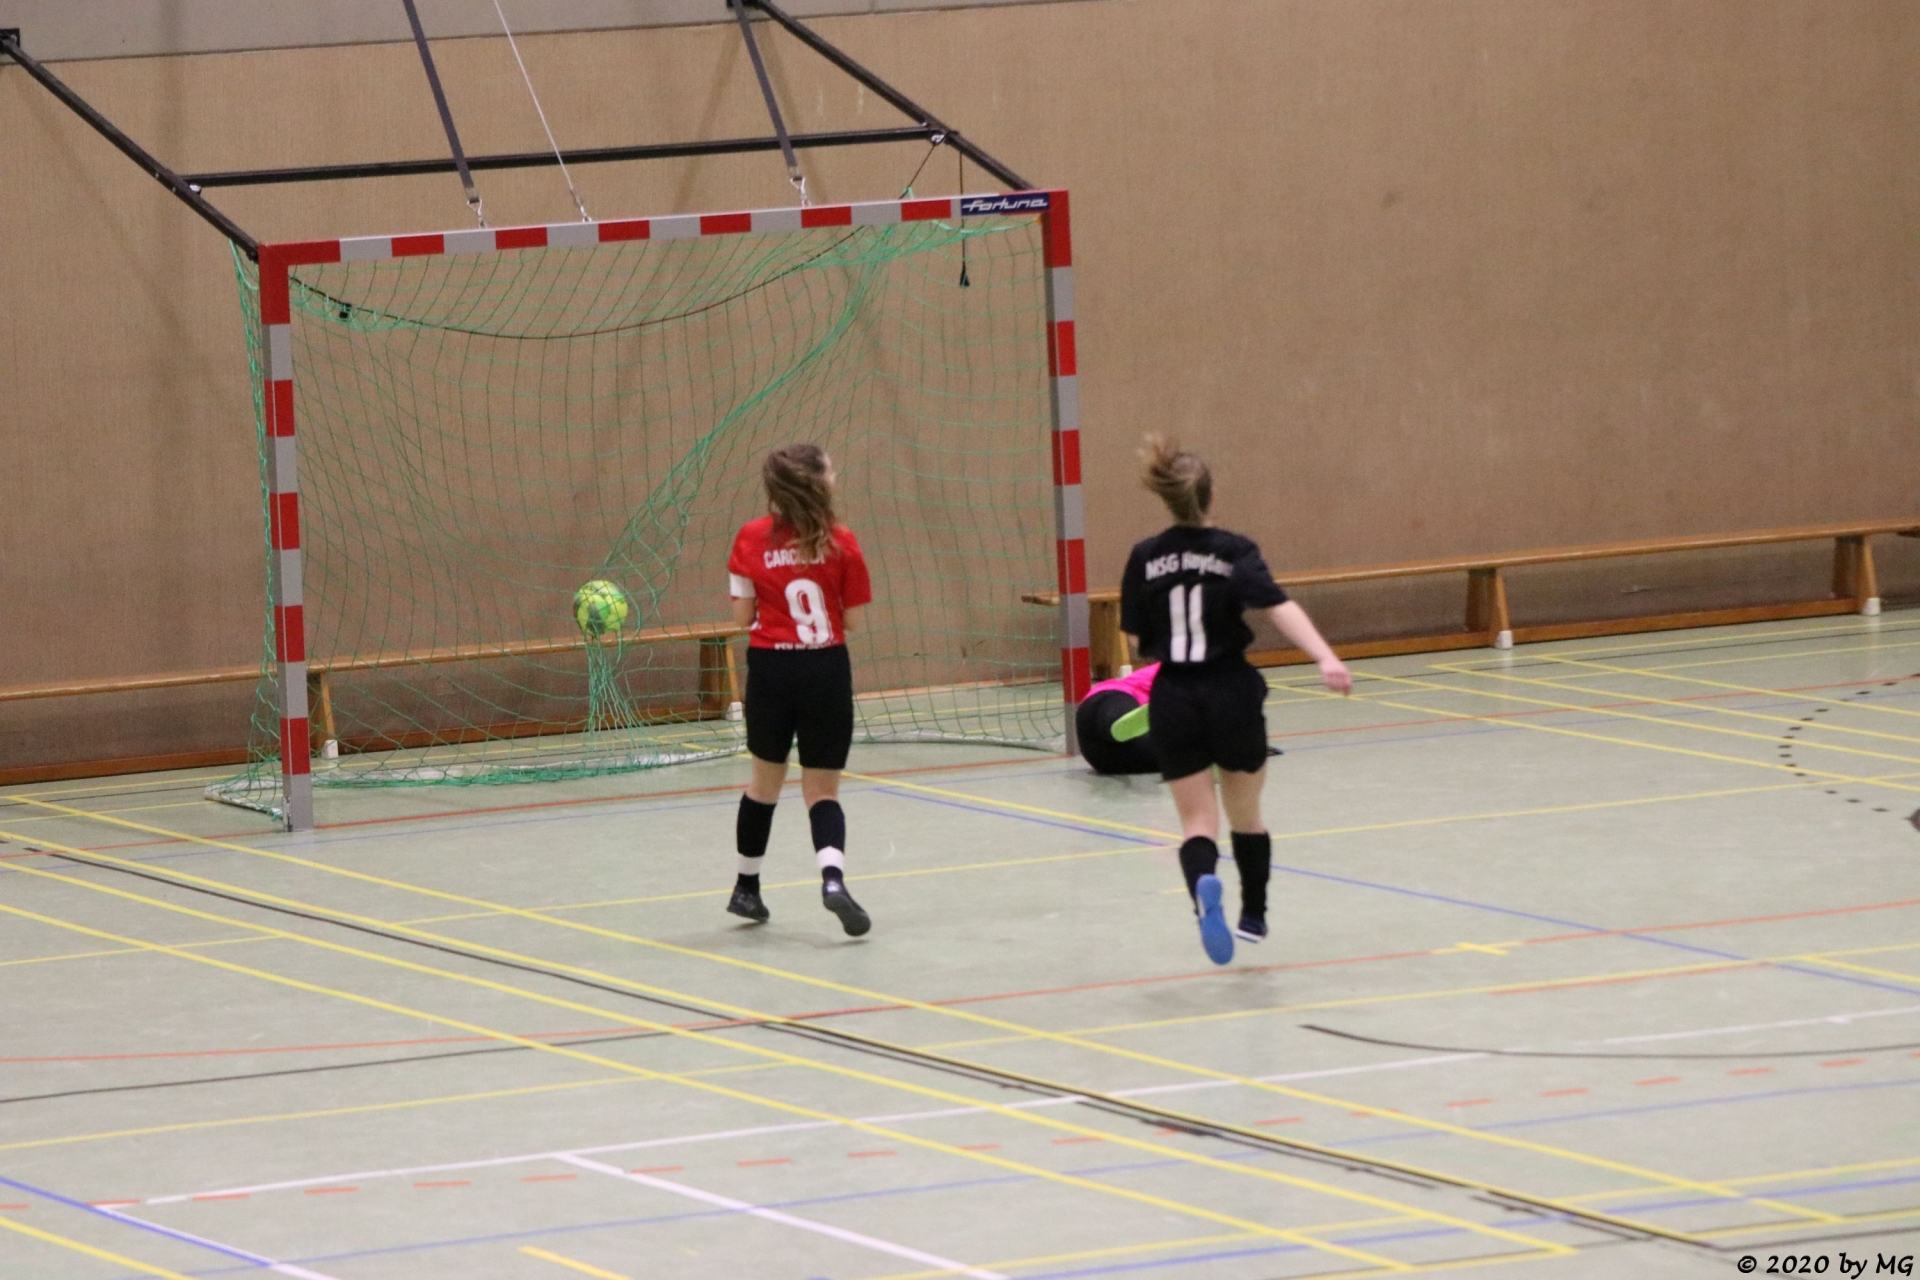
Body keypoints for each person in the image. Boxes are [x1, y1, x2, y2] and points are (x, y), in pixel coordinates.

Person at [1118, 435, 1352, 965]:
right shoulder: (1233, 550)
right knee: (1245, 814)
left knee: (1197, 824)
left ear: (1167, 498)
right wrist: (1325, 657)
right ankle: (1253, 916)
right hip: (1230, 691)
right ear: (1211, 495)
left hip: (1173, 695)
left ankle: (1204, 884)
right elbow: (1277, 605)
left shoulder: (1144, 557)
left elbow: (1133, 637)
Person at [724, 444, 874, 937]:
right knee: (823, 790)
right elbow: (853, 620)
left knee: (763, 784)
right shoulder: (842, 542)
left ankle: (746, 888)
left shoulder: (749, 538)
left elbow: (742, 617)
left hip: (771, 670)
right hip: (824, 668)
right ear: (819, 483)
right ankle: (832, 879)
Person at [1076, 663, 1162, 775]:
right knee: (1115, 714)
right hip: (1114, 698)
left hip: (1106, 759)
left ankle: (1120, 726)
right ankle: (1120, 724)